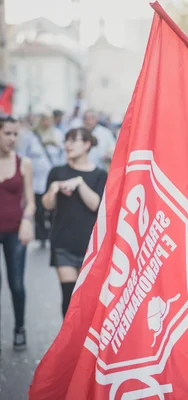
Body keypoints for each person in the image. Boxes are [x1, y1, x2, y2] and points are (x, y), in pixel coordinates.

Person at [42, 127, 107, 317]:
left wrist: (79, 182)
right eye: (66, 141)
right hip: (63, 243)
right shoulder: (57, 171)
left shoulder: (100, 175)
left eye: (73, 141)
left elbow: (96, 204)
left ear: (87, 144)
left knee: (87, 298)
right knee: (68, 296)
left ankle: (85, 343)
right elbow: (47, 205)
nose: (67, 145)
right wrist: (52, 190)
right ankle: (69, 343)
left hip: (90, 245)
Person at [0, 115, 35, 350]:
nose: (12, 138)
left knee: (16, 284)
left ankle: (19, 328)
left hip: (15, 231)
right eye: (8, 133)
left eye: (15, 134)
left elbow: (31, 201)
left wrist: (26, 220)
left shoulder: (24, 163)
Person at [16, 112, 65, 247]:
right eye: (42, 120)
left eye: (47, 120)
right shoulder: (30, 137)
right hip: (36, 180)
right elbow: (22, 155)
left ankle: (52, 232)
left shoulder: (57, 134)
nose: (45, 123)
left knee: (53, 208)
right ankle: (42, 235)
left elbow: (64, 154)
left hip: (53, 178)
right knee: (38, 209)